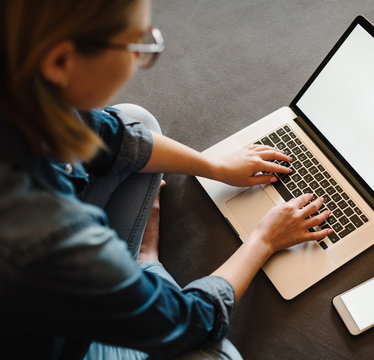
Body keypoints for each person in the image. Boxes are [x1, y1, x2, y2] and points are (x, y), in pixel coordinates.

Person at [0, 0, 333, 359]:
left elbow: (116, 137)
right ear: (61, 62)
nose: (139, 62)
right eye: (137, 46)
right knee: (219, 356)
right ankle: (146, 264)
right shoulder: (50, 236)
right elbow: (190, 321)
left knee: (134, 119)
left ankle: (131, 279)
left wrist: (214, 166)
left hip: (43, 292)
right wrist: (264, 241)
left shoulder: (21, 91)